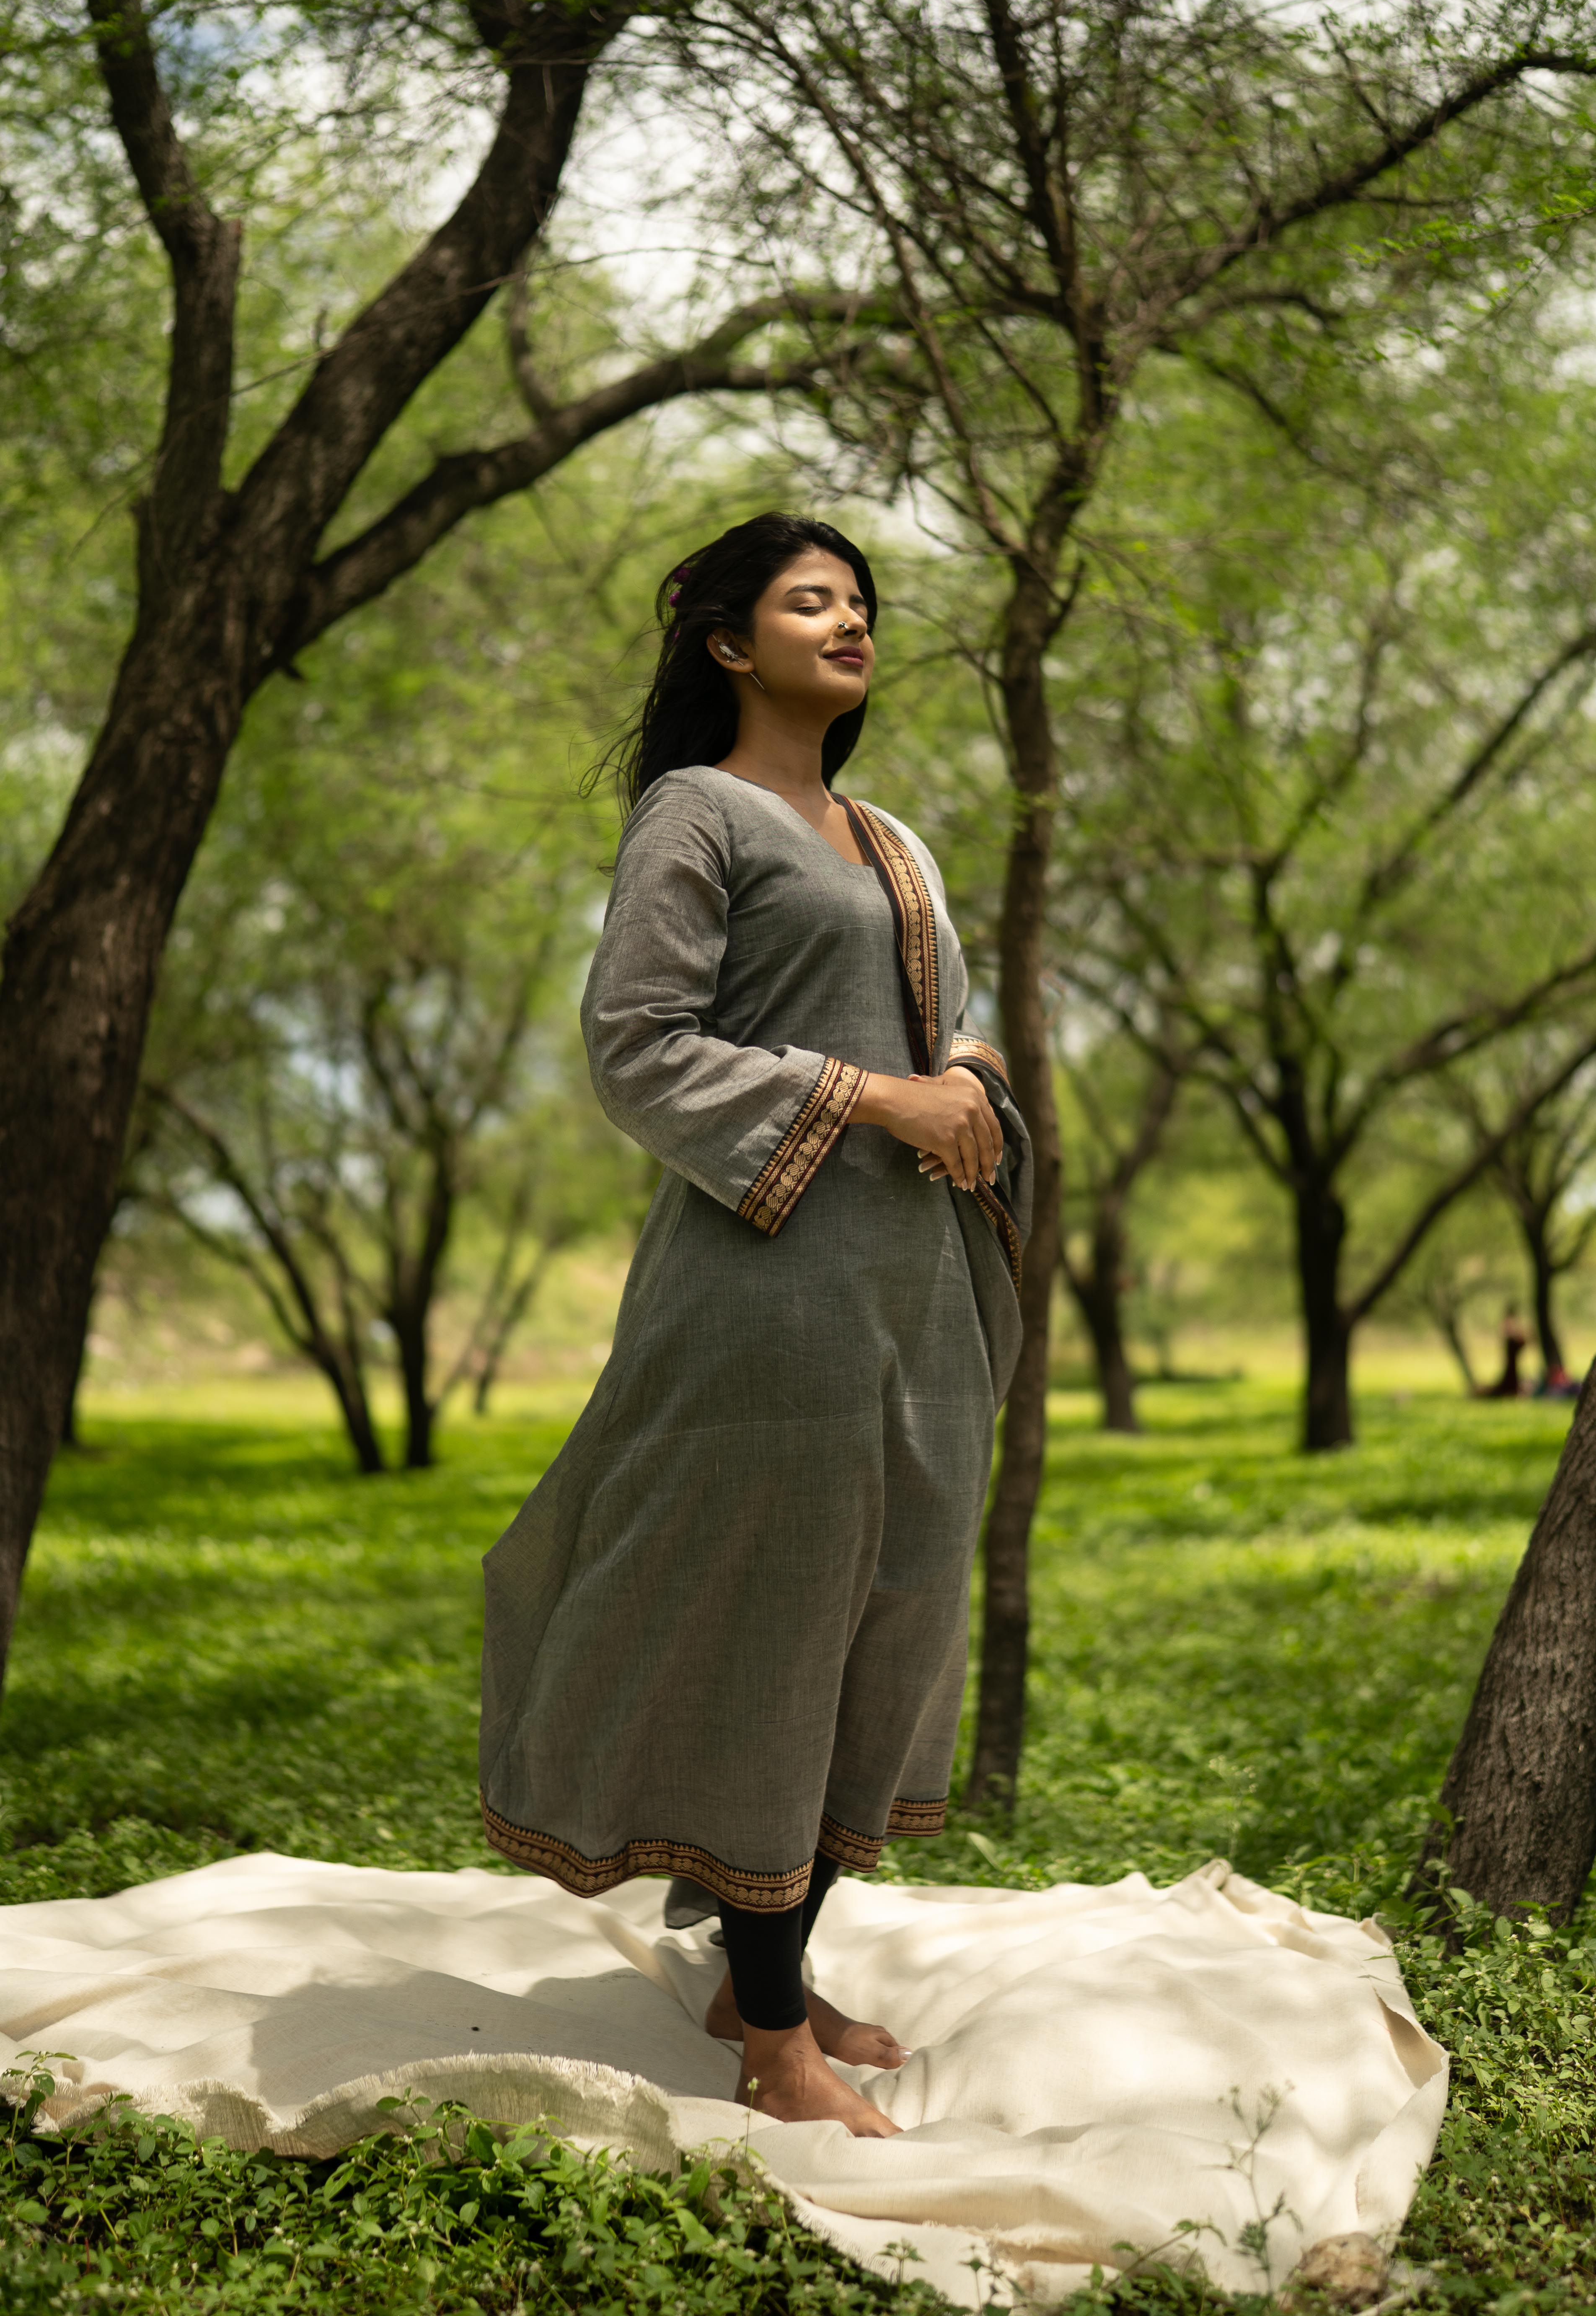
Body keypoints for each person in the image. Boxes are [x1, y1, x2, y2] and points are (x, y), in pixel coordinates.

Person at [478, 513, 1032, 2137]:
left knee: (893, 1600)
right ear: (732, 642)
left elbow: (950, 1027)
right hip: (767, 1290)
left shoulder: (891, 837)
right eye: (812, 600)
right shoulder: (697, 814)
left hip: (913, 1284)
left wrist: (973, 1089)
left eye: (861, 601)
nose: (852, 621)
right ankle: (772, 2039)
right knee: (774, 1624)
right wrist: (876, 1097)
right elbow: (637, 1046)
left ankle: (752, 1965)